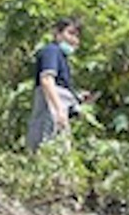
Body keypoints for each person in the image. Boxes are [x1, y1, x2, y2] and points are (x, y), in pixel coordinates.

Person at [26, 17, 89, 151]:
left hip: (57, 110)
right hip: (51, 111)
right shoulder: (51, 50)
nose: (74, 39)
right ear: (57, 34)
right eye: (70, 33)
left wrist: (77, 98)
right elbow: (47, 80)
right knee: (49, 150)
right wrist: (59, 110)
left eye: (77, 36)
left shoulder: (62, 57)